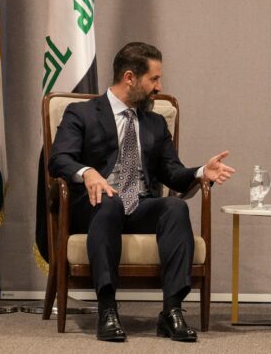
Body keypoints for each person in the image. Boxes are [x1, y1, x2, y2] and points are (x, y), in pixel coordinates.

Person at [49, 42, 235, 343]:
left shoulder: (155, 123)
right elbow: (59, 159)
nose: (158, 87)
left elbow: (172, 173)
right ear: (130, 78)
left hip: (138, 205)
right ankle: (107, 309)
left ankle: (171, 312)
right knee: (110, 201)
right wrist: (88, 172)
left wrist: (201, 172)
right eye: (154, 79)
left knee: (174, 208)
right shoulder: (82, 113)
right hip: (95, 207)